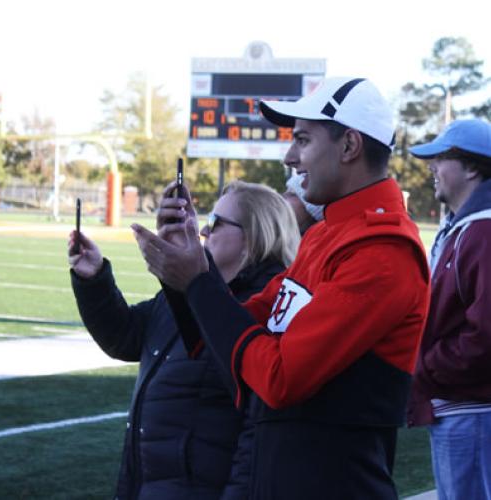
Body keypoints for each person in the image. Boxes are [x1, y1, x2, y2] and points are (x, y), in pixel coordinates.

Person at [144, 76, 431, 499]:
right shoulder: (326, 234)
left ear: (349, 146)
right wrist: (187, 261)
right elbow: (232, 328)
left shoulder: (383, 250)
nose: (290, 156)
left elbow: (280, 379)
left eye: (302, 140)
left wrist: (198, 280)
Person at [68, 180, 300, 500]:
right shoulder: (189, 289)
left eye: (214, 223)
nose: (202, 232)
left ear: (254, 235)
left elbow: (257, 437)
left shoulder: (268, 310)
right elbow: (127, 336)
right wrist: (93, 279)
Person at [407, 119, 491, 500]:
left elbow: (485, 337)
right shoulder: (467, 228)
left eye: (441, 158)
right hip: (460, 410)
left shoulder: (483, 232)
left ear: (473, 168)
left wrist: (425, 366)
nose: (432, 169)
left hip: (473, 414)